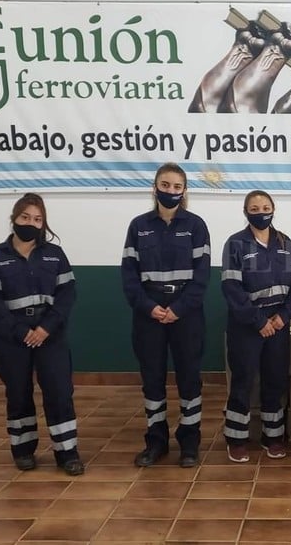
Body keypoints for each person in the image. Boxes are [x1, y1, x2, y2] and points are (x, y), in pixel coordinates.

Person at [0, 193, 83, 476]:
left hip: (50, 333)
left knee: (59, 391)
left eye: (37, 219)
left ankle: (67, 452)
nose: (30, 223)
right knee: (18, 392)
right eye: (25, 217)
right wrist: (20, 331)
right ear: (14, 219)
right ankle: (23, 450)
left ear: (43, 224)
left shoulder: (54, 254)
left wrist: (46, 327)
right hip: (12, 337)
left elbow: (67, 294)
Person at [121, 163, 210, 468]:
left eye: (177, 186)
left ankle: (189, 442)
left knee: (189, 379)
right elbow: (129, 276)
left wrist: (178, 309)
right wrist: (149, 307)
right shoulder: (138, 226)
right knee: (152, 379)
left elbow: (202, 276)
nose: (170, 191)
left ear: (184, 191)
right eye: (165, 184)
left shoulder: (196, 226)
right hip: (149, 313)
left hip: (186, 314)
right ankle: (156, 441)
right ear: (155, 187)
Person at [221, 190, 291, 463]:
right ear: (246, 212)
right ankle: (236, 439)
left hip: (278, 322)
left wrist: (285, 315)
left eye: (266, 208)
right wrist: (257, 321)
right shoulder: (235, 244)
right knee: (243, 380)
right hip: (247, 324)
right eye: (254, 209)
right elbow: (231, 288)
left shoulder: (285, 242)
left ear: (273, 209)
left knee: (275, 380)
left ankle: (273, 437)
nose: (261, 213)